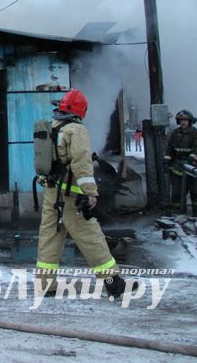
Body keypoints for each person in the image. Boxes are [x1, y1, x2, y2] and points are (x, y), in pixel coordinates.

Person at [35, 89, 129, 298]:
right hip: (72, 196)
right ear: (80, 110)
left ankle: (45, 284)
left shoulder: (52, 127)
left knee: (50, 236)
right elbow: (81, 163)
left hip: (52, 193)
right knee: (90, 235)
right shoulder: (76, 130)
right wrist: (90, 193)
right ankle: (113, 283)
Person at [163, 109, 197, 210]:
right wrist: (167, 159)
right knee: (177, 193)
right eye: (181, 120)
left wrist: (192, 158)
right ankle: (179, 215)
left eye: (185, 120)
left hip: (194, 168)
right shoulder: (175, 133)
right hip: (178, 168)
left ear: (190, 121)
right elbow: (170, 148)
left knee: (196, 193)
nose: (183, 122)